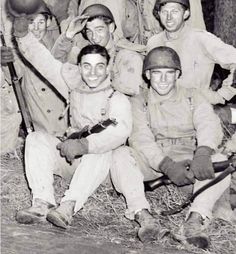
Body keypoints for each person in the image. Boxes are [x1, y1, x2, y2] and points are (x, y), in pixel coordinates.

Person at [13, 36, 160, 242]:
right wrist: (22, 37)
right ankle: (42, 202)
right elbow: (44, 61)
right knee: (36, 138)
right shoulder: (74, 87)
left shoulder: (116, 98)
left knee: (103, 148)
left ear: (108, 68)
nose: (93, 73)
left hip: (100, 171)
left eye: (99, 66)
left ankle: (69, 205)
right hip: (73, 162)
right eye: (87, 66)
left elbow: (119, 132)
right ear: (79, 68)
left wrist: (84, 144)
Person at [112, 46, 231, 249]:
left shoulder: (193, 96)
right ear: (148, 75)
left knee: (221, 161)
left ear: (177, 75)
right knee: (120, 155)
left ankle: (195, 220)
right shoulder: (139, 102)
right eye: (157, 73)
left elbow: (208, 123)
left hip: (189, 159)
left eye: (169, 74)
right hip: (156, 162)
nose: (164, 80)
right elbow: (141, 138)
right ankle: (143, 215)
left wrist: (202, 153)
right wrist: (166, 165)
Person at [147, 0, 236, 105]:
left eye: (175, 11)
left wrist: (222, 96)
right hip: (163, 109)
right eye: (164, 12)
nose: (169, 17)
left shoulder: (201, 39)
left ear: (185, 14)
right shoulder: (154, 42)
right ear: (158, 14)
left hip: (196, 108)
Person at [4, 1, 68, 136]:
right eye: (31, 22)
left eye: (41, 22)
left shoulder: (60, 43)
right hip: (40, 118)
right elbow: (13, 76)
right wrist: (5, 63)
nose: (36, 28)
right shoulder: (20, 48)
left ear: (49, 22)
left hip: (63, 116)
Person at [51, 3, 144, 96]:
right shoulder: (85, 51)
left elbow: (130, 92)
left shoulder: (127, 56)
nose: (94, 37)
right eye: (89, 31)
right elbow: (54, 63)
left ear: (111, 27)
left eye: (99, 29)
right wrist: (69, 35)